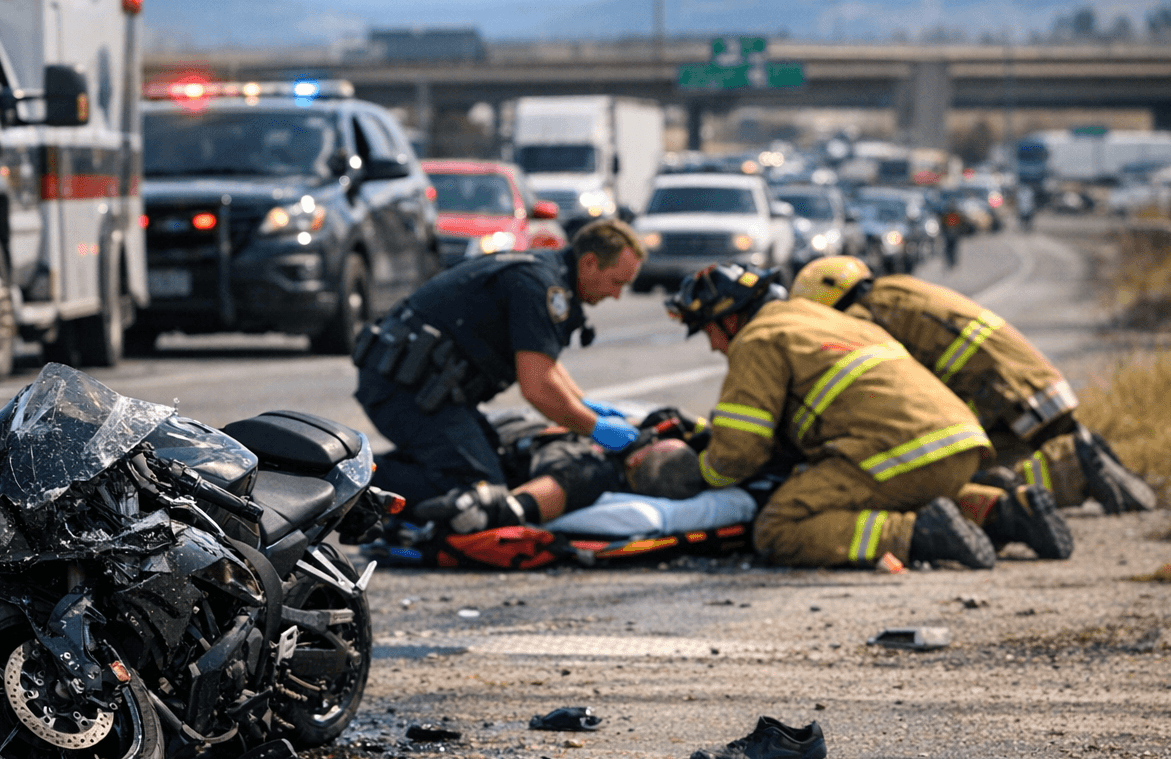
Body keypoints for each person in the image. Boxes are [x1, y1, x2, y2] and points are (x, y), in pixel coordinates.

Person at [665, 262, 1072, 569]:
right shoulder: (826, 319)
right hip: (958, 443)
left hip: (896, 451)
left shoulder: (757, 339)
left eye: (707, 331)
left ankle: (918, 536)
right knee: (904, 494)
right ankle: (1008, 512)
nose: (714, 347)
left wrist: (701, 471)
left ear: (729, 318)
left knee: (780, 526)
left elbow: (739, 453)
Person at [790, 256, 1155, 514]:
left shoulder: (864, 319)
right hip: (1039, 387)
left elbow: (900, 388)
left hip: (1005, 401)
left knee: (950, 478)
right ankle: (1084, 455)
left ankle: (1072, 465)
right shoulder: (898, 289)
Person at [354, 219, 645, 531]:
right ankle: (347, 484)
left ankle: (375, 492)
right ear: (590, 263)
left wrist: (584, 404)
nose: (616, 295)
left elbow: (542, 360)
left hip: (422, 388)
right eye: (617, 282)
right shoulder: (540, 285)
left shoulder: (545, 273)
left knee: (499, 468)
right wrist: (594, 427)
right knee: (478, 492)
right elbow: (538, 388)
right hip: (405, 389)